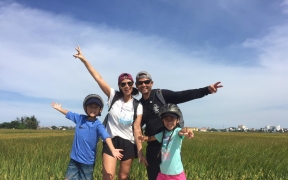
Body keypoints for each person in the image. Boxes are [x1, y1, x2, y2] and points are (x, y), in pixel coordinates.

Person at [133, 71, 223, 180]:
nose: (143, 85)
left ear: (151, 83)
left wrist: (206, 90)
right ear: (137, 85)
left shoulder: (161, 95)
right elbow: (137, 128)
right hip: (152, 149)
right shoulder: (139, 105)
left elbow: (183, 95)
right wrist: (140, 152)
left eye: (146, 82)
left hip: (169, 146)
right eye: (140, 83)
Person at [73, 46, 143, 180]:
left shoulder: (137, 105)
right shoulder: (113, 97)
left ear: (133, 85)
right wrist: (84, 60)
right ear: (119, 86)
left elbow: (137, 128)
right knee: (108, 176)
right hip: (111, 141)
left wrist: (140, 151)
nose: (126, 86)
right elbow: (98, 78)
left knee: (123, 177)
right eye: (123, 84)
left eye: (129, 83)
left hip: (129, 142)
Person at [51, 94, 123, 180]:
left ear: (100, 109)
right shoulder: (80, 118)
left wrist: (113, 149)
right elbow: (69, 113)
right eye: (90, 106)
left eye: (96, 107)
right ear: (85, 108)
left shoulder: (98, 125)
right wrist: (59, 108)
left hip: (87, 162)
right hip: (74, 159)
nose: (93, 109)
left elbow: (106, 136)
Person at [138, 103, 194, 180]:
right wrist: (144, 138)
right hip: (163, 173)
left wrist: (188, 132)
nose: (169, 122)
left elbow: (182, 131)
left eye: (172, 119)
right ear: (162, 120)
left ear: (178, 120)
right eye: (166, 119)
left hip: (176, 174)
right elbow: (151, 138)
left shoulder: (177, 132)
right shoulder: (163, 133)